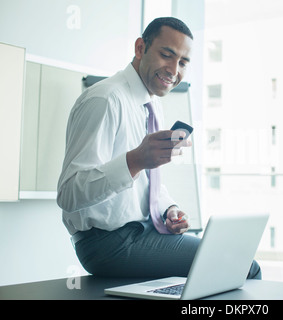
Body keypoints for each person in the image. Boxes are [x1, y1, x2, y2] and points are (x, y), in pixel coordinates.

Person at [57, 17, 261, 279]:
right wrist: (136, 160)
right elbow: (68, 193)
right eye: (167, 55)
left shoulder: (151, 104)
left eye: (184, 63)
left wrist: (168, 210)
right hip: (107, 243)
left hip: (143, 231)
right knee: (244, 267)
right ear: (140, 48)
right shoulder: (104, 100)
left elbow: (147, 183)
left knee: (232, 264)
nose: (174, 70)